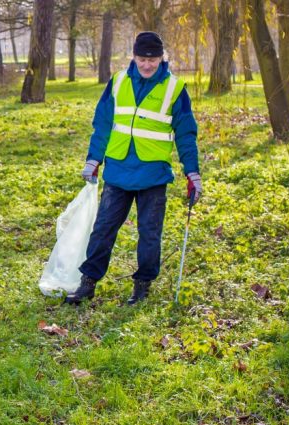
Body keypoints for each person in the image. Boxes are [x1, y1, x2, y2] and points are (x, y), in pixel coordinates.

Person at [64, 32, 201, 306]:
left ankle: (142, 285)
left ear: (162, 58)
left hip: (153, 175)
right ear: (134, 57)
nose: (147, 65)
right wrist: (94, 159)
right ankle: (88, 282)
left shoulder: (175, 88)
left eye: (153, 59)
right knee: (103, 229)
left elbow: (186, 133)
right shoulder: (117, 82)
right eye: (142, 59)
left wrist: (192, 172)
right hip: (117, 171)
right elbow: (103, 123)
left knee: (149, 233)